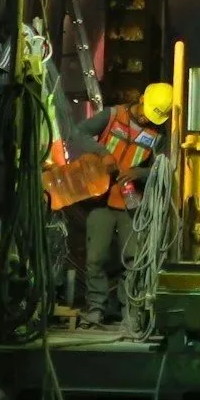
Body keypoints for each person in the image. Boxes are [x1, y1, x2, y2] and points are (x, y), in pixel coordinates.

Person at [62, 80, 173, 326]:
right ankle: (96, 308)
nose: (148, 120)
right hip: (100, 199)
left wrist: (139, 174)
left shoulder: (158, 135)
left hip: (131, 202)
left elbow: (163, 167)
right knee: (95, 258)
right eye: (148, 112)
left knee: (133, 258)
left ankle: (129, 312)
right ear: (142, 99)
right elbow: (78, 133)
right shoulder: (112, 116)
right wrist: (103, 154)